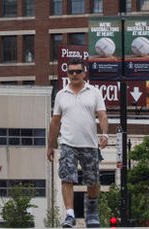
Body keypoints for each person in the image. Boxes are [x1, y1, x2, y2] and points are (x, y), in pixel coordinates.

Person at [47, 59, 109, 228]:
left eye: (77, 71)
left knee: (92, 180)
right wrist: (50, 145)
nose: (74, 74)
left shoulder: (94, 93)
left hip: (89, 143)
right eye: (71, 72)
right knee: (67, 177)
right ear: (67, 74)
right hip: (68, 143)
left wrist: (104, 134)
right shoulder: (61, 95)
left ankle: (92, 211)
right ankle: (70, 214)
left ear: (84, 73)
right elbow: (55, 122)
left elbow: (102, 115)